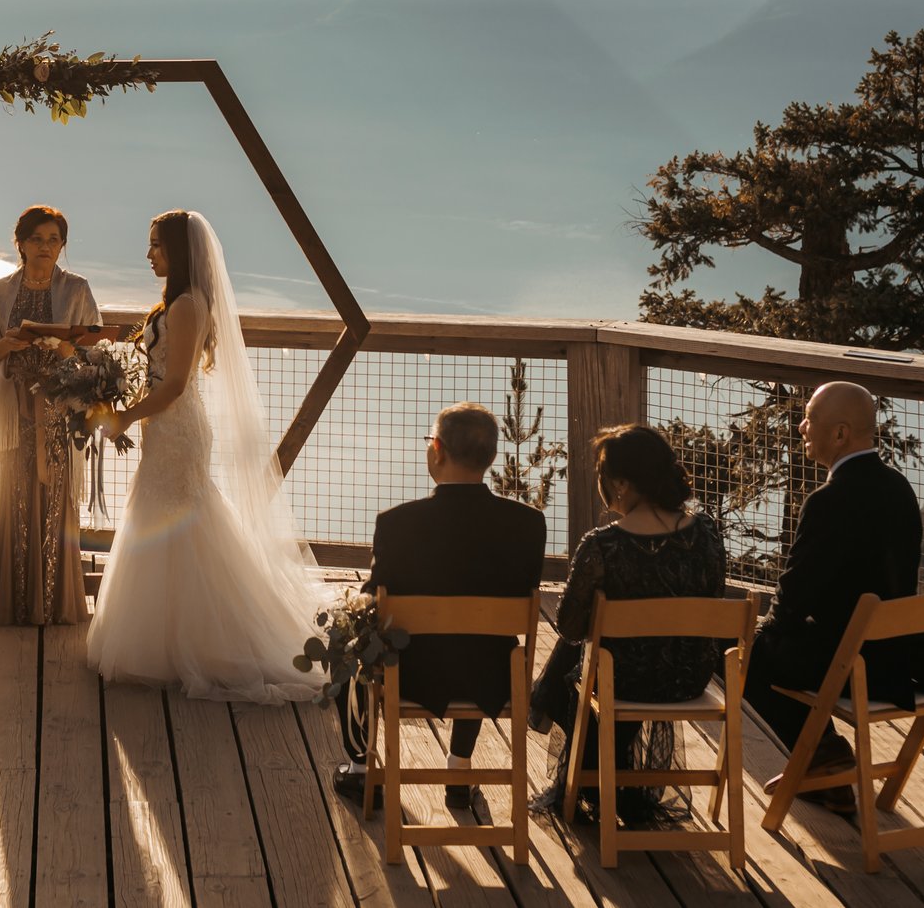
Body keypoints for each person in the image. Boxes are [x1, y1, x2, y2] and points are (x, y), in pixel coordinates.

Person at [84, 210, 322, 703]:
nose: (149, 254)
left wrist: (125, 418)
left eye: (156, 245)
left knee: (180, 519)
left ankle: (203, 642)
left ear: (178, 251)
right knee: (166, 519)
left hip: (178, 429)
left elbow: (174, 385)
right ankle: (169, 638)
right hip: (165, 428)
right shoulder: (178, 301)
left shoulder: (188, 305)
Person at [331, 403, 548, 814]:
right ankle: (459, 769)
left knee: (345, 633)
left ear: (437, 450)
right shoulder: (528, 524)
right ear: (490, 456)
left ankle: (362, 771)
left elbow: (373, 601)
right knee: (478, 635)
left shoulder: (397, 523)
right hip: (493, 676)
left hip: (412, 675)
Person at [746, 381, 924, 813]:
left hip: (853, 665)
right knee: (769, 646)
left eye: (810, 419)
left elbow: (792, 599)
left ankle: (824, 755)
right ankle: (824, 766)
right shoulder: (900, 489)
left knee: (744, 656)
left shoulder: (829, 501)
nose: (801, 427)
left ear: (839, 434)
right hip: (898, 660)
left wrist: (762, 634)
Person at [529, 424, 725, 826]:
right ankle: (548, 704)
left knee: (583, 650)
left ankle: (545, 706)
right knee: (598, 648)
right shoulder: (706, 532)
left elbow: (569, 627)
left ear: (620, 484)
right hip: (688, 677)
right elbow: (714, 594)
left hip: (625, 682)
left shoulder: (603, 545)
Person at [0, 204, 101, 626]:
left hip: (58, 411)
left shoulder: (77, 289)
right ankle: (13, 602)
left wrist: (65, 350)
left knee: (54, 496)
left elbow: (95, 353)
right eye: (37, 239)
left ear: (62, 246)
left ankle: (52, 602)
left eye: (54, 240)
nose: (46, 247)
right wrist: (7, 344)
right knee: (11, 495)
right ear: (21, 244)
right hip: (11, 411)